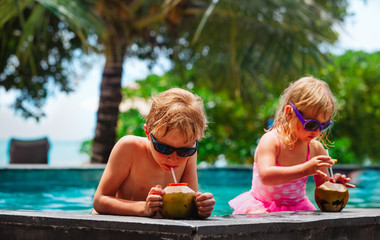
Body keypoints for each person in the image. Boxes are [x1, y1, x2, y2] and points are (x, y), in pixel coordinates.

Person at [229, 76, 355, 214]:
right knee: (259, 217)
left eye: (324, 126)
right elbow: (266, 176)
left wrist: (334, 186)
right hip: (261, 205)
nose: (317, 131)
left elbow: (322, 192)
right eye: (311, 124)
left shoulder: (315, 149)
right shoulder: (271, 141)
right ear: (290, 113)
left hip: (298, 207)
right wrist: (305, 169)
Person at [93, 88, 215, 218]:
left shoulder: (190, 156)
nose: (173, 158)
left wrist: (200, 207)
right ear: (148, 133)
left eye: (185, 151)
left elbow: (188, 207)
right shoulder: (129, 148)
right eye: (164, 148)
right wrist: (143, 208)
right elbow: (100, 200)